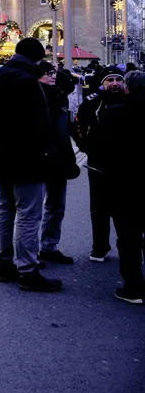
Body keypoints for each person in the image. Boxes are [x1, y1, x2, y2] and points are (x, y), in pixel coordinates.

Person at [0, 37, 60, 292]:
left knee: (4, 209)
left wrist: (2, 126)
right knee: (28, 213)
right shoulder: (28, 81)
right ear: (37, 58)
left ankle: (5, 264)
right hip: (27, 156)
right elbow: (41, 120)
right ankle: (27, 270)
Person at [97, 70, 145, 303]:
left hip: (124, 185)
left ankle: (133, 287)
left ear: (127, 88)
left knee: (128, 237)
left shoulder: (115, 114)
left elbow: (100, 148)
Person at [75, 65, 127, 262]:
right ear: (103, 83)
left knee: (126, 209)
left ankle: (128, 247)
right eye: (110, 80)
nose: (114, 84)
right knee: (99, 208)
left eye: (118, 80)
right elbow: (78, 125)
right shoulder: (93, 102)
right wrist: (86, 147)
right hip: (99, 164)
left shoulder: (131, 100)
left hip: (126, 164)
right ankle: (100, 246)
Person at [37, 60, 79, 265]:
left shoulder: (59, 97)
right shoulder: (33, 98)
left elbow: (69, 83)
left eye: (53, 73)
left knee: (56, 206)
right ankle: (29, 252)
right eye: (48, 73)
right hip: (39, 159)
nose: (52, 76)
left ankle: (49, 246)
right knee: (32, 210)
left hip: (59, 159)